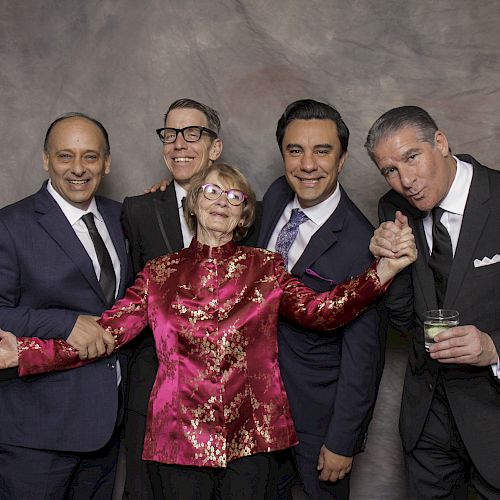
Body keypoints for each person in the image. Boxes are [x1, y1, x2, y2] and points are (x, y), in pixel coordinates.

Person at [0, 163, 416, 500]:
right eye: (211, 192)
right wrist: (27, 352)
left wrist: (383, 271)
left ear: (243, 215)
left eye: (234, 196)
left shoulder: (267, 268)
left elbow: (320, 311)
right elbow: (107, 332)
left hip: (253, 440)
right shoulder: (158, 273)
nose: (222, 202)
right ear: (194, 206)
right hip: (177, 440)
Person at [120, 98, 260, 498]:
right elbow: (128, 299)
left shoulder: (249, 211)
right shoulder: (139, 209)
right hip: (156, 395)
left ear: (215, 147)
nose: (179, 143)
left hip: (231, 399)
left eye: (192, 133)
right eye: (170, 134)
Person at [366, 105, 500, 499]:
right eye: (389, 170)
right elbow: (405, 322)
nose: (405, 181)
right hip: (428, 422)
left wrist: (494, 346)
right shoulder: (394, 211)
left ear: (440, 143)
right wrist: (388, 269)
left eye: (412, 157)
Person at [0, 113, 130, 499]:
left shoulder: (121, 216)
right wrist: (65, 323)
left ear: (106, 162)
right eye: (65, 156)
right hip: (37, 434)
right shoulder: (11, 224)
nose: (78, 169)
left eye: (90, 157)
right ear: (46, 159)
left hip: (107, 428)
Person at [258, 99, 383, 499]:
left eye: (322, 151)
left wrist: (342, 440)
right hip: (256, 407)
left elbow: (365, 357)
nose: (307, 164)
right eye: (296, 151)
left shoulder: (362, 244)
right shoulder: (276, 196)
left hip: (317, 420)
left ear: (343, 159)